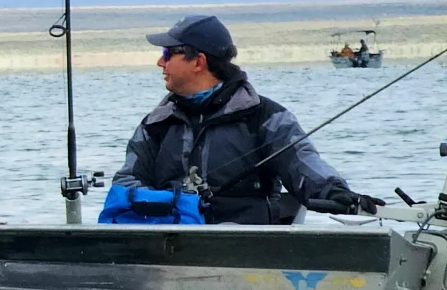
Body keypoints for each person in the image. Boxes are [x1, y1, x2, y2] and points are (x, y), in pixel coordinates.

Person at [111, 14, 383, 224]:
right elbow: (127, 184)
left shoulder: (266, 117)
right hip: (170, 250)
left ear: (198, 62)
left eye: (169, 54)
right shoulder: (155, 125)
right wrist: (175, 204)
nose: (161, 62)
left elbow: (303, 164)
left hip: (248, 252)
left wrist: (336, 193)